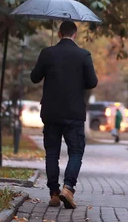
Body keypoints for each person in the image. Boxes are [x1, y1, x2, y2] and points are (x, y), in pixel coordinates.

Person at [31, 21, 98, 209]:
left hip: (51, 113)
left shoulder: (48, 53)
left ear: (59, 34)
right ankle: (68, 188)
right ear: (75, 35)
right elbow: (92, 82)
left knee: (51, 153)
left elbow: (35, 77)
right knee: (76, 152)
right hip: (74, 114)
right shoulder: (83, 55)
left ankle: (53, 193)